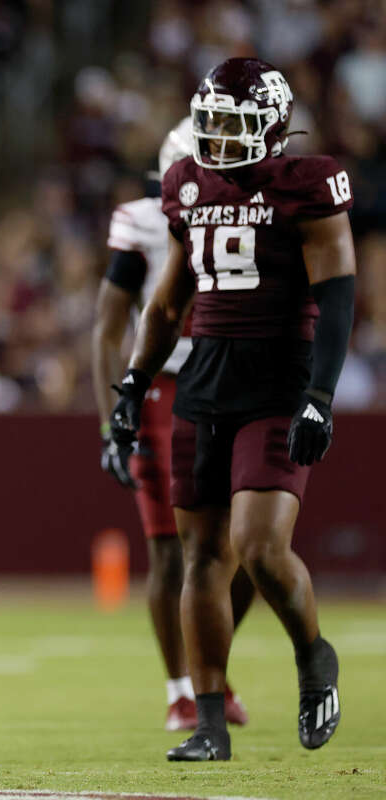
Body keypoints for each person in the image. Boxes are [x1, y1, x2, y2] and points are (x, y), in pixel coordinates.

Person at [111, 58, 351, 762]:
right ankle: (209, 722)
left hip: (280, 377)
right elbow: (167, 300)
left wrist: (321, 395)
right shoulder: (187, 182)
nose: (216, 137)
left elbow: (338, 296)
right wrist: (133, 382)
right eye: (209, 123)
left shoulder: (307, 185)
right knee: (201, 558)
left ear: (274, 128)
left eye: (233, 124)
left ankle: (313, 659)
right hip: (206, 376)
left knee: (260, 547)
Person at [92, 119, 252, 732]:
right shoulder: (144, 220)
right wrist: (113, 418)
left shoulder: (261, 212)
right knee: (169, 550)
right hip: (163, 384)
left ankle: (211, 666)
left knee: (252, 549)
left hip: (236, 378)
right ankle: (183, 689)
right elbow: (110, 326)